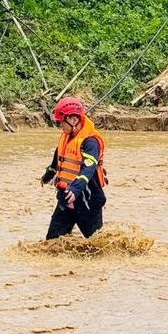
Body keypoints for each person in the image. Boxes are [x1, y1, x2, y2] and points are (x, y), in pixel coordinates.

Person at [40, 96, 108, 240]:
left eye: (61, 122)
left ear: (73, 119)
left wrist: (76, 188)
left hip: (87, 201)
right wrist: (48, 175)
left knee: (98, 247)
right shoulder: (66, 137)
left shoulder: (90, 142)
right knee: (52, 244)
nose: (60, 126)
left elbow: (88, 168)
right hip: (66, 199)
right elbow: (58, 158)